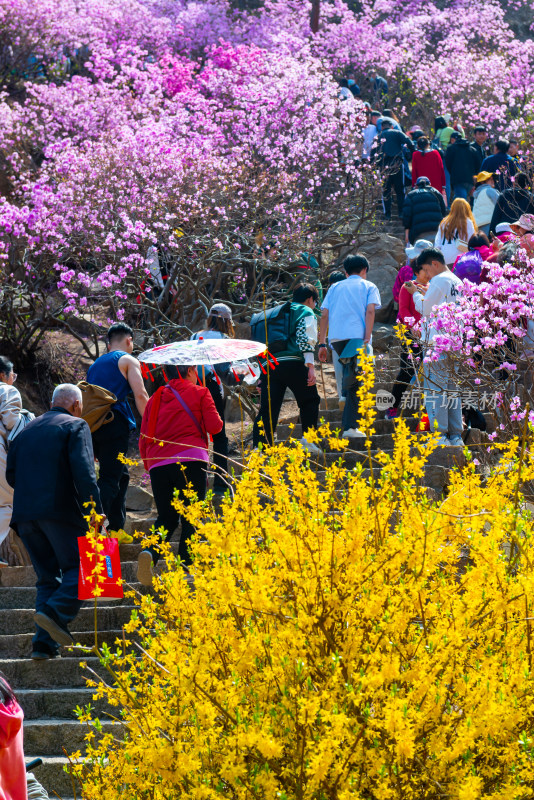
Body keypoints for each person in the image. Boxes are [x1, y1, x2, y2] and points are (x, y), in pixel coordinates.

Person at [6, 384, 103, 657]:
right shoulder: (76, 425)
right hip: (60, 512)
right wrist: (96, 514)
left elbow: (11, 476)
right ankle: (54, 612)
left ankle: (43, 644)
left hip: (25, 517)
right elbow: (85, 474)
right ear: (75, 405)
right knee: (84, 568)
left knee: (48, 579)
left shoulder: (25, 432)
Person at [137, 365, 223, 586]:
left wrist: (151, 465)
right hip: (192, 460)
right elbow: (215, 427)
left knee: (166, 517)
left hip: (158, 463)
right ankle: (187, 567)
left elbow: (144, 434)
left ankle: (150, 551)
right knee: (191, 515)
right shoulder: (201, 392)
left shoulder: (155, 397)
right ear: (192, 370)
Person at [86, 323, 148, 541]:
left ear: (108, 342)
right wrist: (151, 424)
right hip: (115, 423)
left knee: (120, 476)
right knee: (111, 477)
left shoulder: (94, 366)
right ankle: (94, 529)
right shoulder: (128, 360)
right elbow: (140, 395)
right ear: (129, 340)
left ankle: (116, 528)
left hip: (94, 426)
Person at [404, 248, 463, 446]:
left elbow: (425, 309)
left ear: (434, 264)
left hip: (437, 344)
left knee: (436, 390)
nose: (426, 275)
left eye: (426, 270)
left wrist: (414, 294)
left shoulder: (439, 279)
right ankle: (455, 436)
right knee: (451, 390)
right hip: (456, 343)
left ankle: (440, 435)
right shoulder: (456, 280)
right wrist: (425, 293)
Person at [252, 283, 321, 453]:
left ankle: (260, 448)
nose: (314, 306)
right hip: (293, 361)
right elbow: (305, 338)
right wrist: (310, 366)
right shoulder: (305, 311)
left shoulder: (275, 314)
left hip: (270, 365)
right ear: (310, 299)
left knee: (269, 407)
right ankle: (308, 440)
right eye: (315, 302)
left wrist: (262, 373)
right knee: (309, 399)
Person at [318, 255, 381, 438]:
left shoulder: (335, 287)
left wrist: (322, 342)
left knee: (350, 371)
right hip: (356, 337)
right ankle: (350, 428)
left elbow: (324, 315)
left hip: (336, 338)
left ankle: (344, 395)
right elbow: (370, 311)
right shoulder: (369, 286)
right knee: (357, 380)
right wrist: (367, 337)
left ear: (346, 272)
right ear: (364, 270)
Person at [191, 303, 235, 496]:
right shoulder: (224, 338)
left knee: (196, 434)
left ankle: (196, 483)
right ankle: (220, 484)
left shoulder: (194, 336)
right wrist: (238, 377)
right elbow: (224, 372)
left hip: (193, 388)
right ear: (227, 321)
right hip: (212, 387)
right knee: (219, 435)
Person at [388, 256, 431, 417]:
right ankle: (393, 406)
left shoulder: (432, 287)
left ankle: (429, 411)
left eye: (429, 270)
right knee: (406, 370)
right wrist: (413, 326)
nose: (428, 273)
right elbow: (404, 309)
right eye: (424, 270)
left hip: (430, 334)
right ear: (416, 271)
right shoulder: (408, 287)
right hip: (411, 333)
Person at [0, 357, 22, 567]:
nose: (13, 380)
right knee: (7, 503)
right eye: (13, 375)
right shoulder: (7, 391)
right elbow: (11, 421)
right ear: (2, 375)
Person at [374, 120, 413, 219]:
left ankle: (387, 214)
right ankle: (401, 212)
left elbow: (373, 151)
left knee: (386, 190)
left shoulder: (378, 136)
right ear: (391, 126)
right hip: (397, 164)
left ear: (382, 127)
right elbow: (410, 143)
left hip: (384, 166)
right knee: (400, 189)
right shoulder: (397, 133)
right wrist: (411, 153)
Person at [324, 271, 347, 408]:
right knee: (339, 373)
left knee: (347, 372)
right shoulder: (330, 298)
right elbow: (325, 318)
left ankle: (348, 399)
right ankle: (342, 399)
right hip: (335, 342)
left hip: (347, 340)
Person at [402, 176, 446, 245]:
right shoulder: (436, 193)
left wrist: (407, 234)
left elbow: (407, 216)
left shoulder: (411, 195)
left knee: (422, 254)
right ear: (430, 184)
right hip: (436, 231)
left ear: (416, 186)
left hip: (418, 233)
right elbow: (443, 212)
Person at [434, 198, 477, 266]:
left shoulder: (444, 222)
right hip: (461, 259)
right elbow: (472, 241)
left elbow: (437, 243)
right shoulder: (467, 222)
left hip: (445, 258)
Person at [445, 132, 478, 200]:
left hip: (457, 179)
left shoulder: (451, 149)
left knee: (461, 201)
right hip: (470, 180)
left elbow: (448, 164)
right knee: (463, 199)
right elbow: (477, 165)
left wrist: (453, 172)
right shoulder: (473, 149)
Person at [472, 171, 500, 236]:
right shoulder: (489, 190)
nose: (493, 181)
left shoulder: (476, 194)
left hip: (478, 225)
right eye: (490, 179)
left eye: (493, 179)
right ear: (482, 182)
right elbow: (500, 203)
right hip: (489, 223)